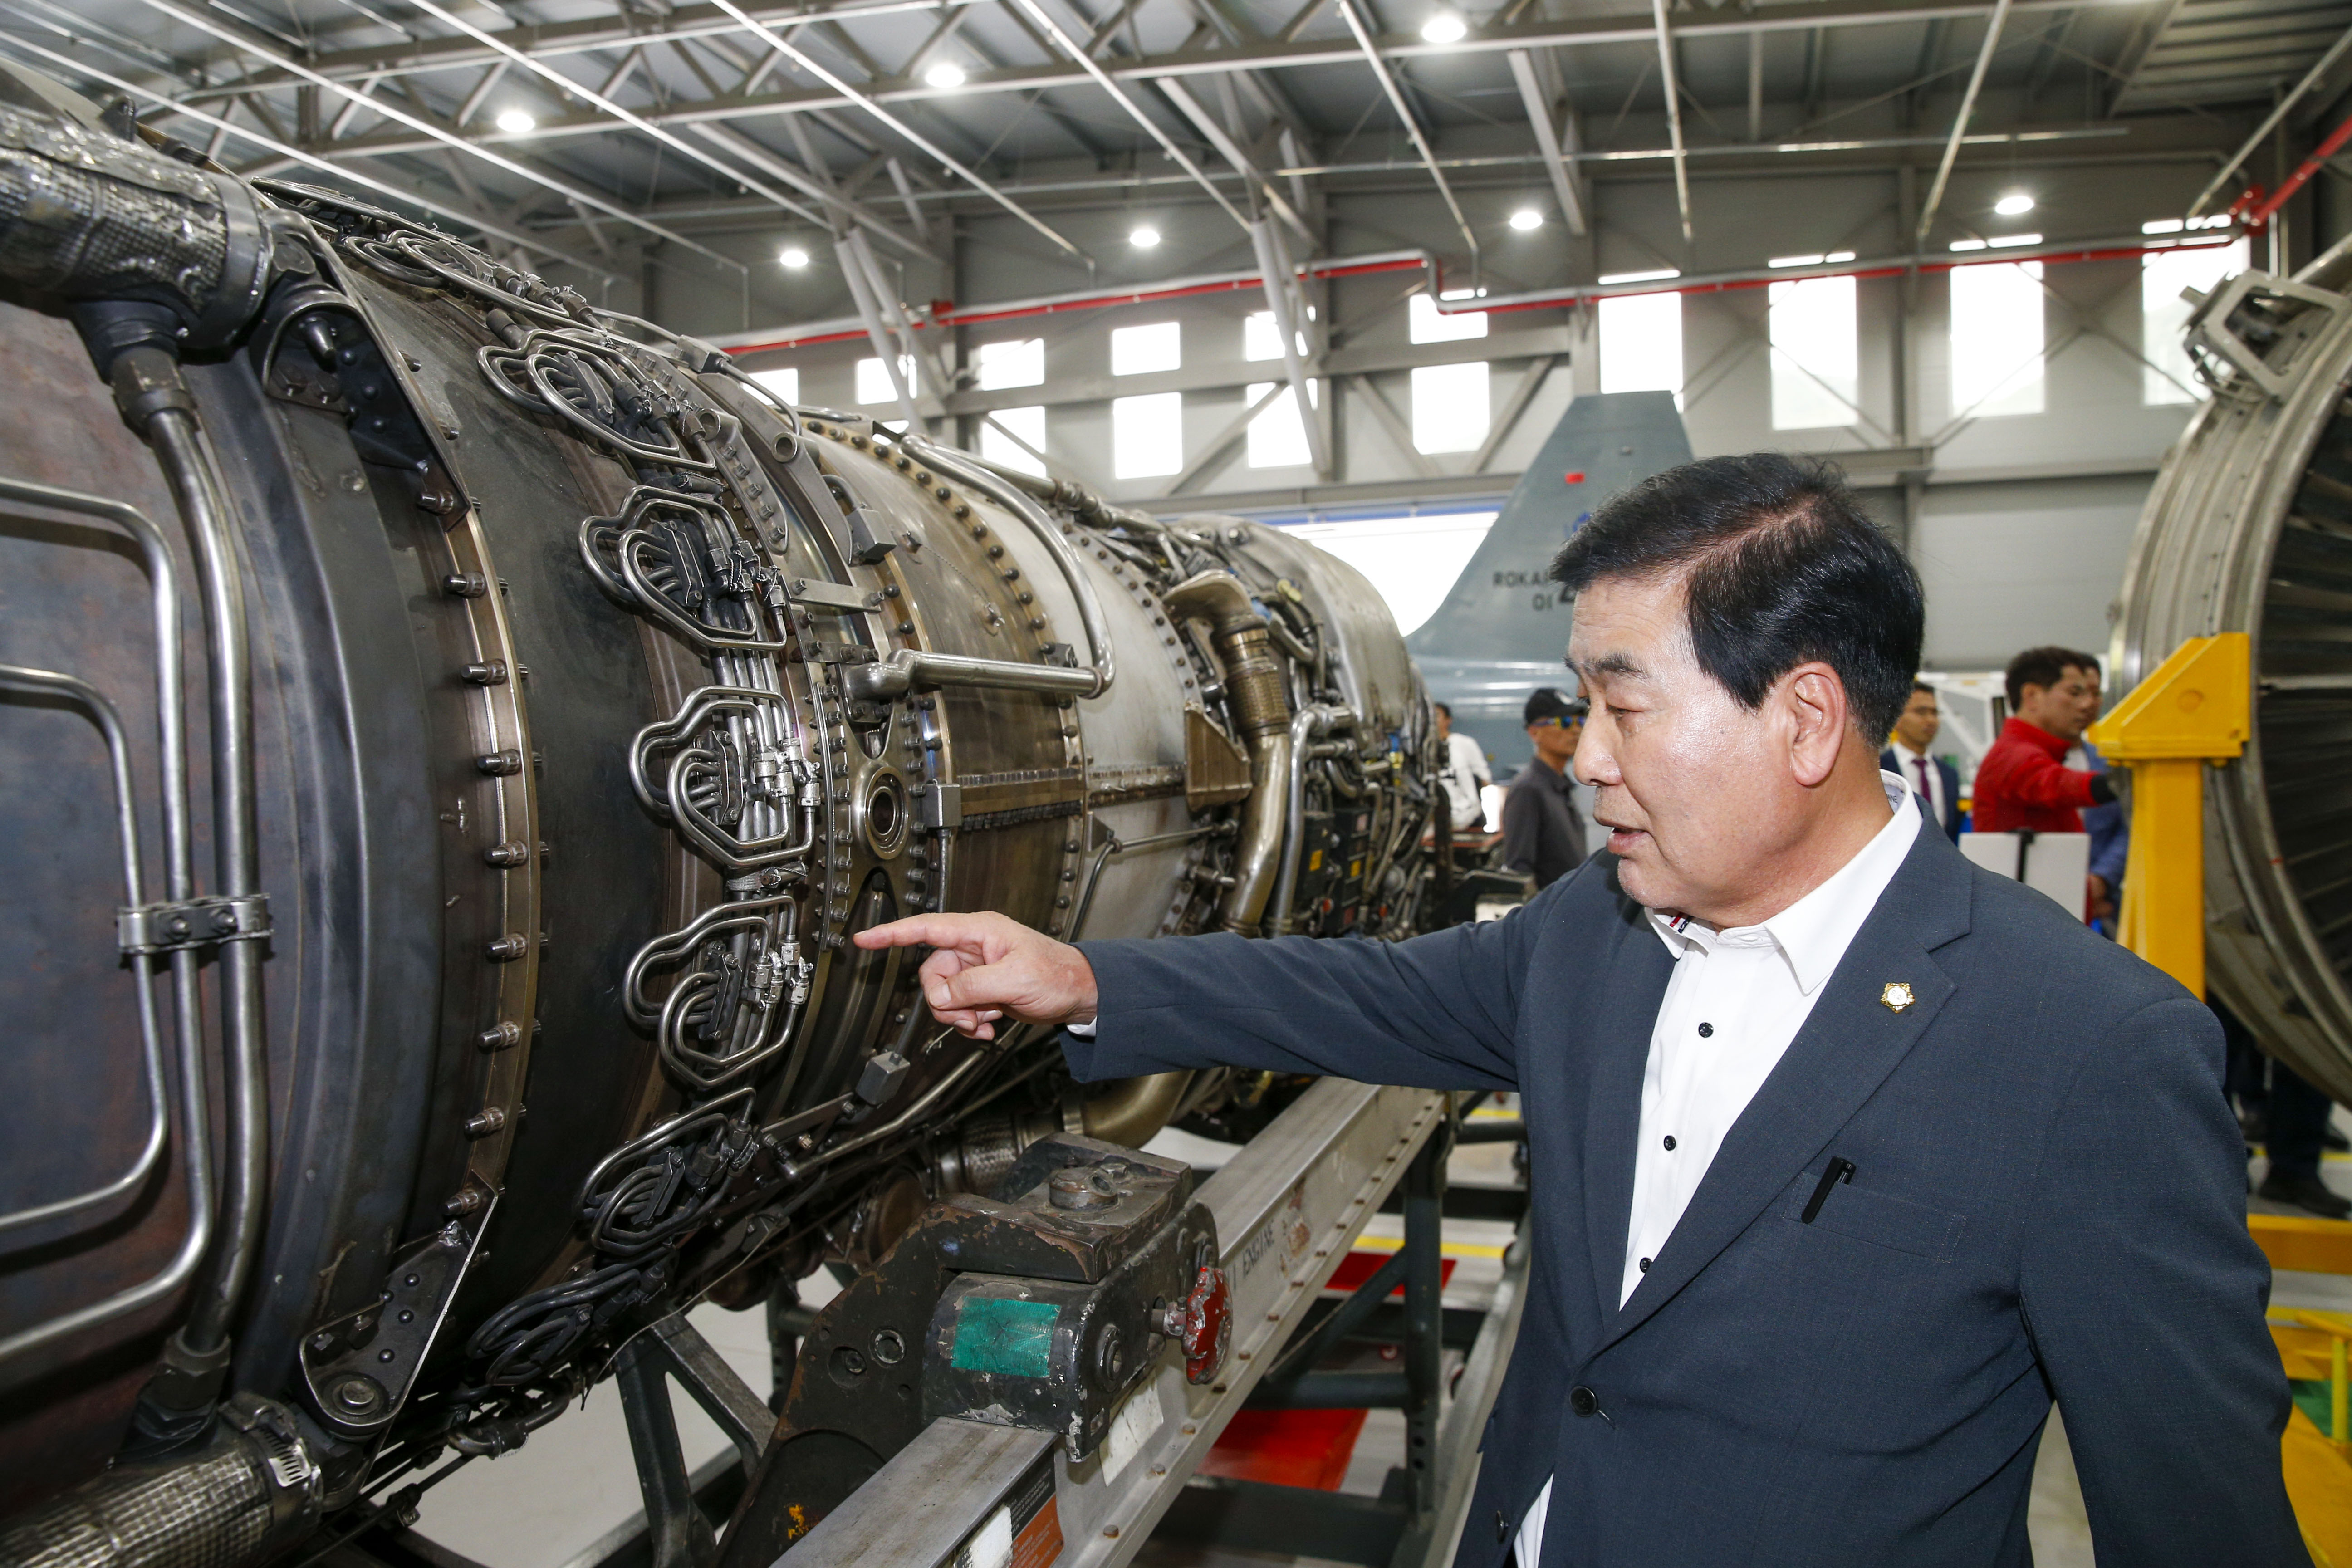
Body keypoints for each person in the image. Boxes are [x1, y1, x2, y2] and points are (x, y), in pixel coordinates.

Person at [857, 452, 2298, 1567]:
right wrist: (1086, 975)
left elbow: (2200, 1520)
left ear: (1805, 719)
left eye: (1627, 705)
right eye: (1581, 707)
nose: (1587, 758)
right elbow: (1361, 992)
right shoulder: (1595, 934)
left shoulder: (2087, 1050)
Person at [1975, 646, 2117, 921]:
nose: (2087, 705)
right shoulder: (2012, 755)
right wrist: (2118, 784)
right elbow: (2052, 783)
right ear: (2032, 696)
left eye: (2092, 694)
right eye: (2075, 693)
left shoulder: (2038, 752)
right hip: (2024, 922)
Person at [1499, 688, 1587, 890]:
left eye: (1580, 722)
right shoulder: (1528, 789)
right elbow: (1519, 870)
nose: (1576, 730)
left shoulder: (1561, 786)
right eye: (1564, 722)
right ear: (1535, 732)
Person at [1879, 681, 1960, 841]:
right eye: (1921, 712)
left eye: (1934, 713)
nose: (1931, 720)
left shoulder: (1949, 776)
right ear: (1896, 717)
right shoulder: (1879, 771)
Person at [1435, 701, 1493, 837]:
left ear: (1448, 720)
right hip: (1438, 823)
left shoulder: (1464, 744)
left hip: (1470, 819)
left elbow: (1485, 778)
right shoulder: (1422, 749)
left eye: (1437, 715)